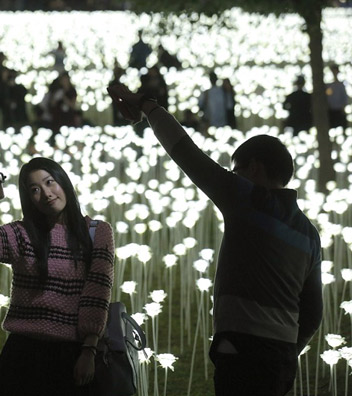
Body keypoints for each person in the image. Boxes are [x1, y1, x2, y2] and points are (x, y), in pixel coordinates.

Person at [108, 83, 323, 396]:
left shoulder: (247, 201)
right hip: (282, 355)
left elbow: (186, 152)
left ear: (256, 169)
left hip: (241, 347)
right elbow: (314, 311)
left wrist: (146, 105)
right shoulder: (309, 233)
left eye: (237, 171)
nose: (232, 177)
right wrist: (289, 347)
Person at [0, 157, 114, 396]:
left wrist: (89, 351)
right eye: (35, 190)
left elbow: (97, 293)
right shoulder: (24, 234)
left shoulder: (97, 233)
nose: (47, 193)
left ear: (64, 182)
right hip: (23, 353)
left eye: (50, 182)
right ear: (29, 199)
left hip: (72, 353)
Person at [326, 64, 349, 130]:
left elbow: (344, 98)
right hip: (331, 111)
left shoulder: (341, 85)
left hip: (340, 111)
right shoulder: (328, 85)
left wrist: (343, 109)